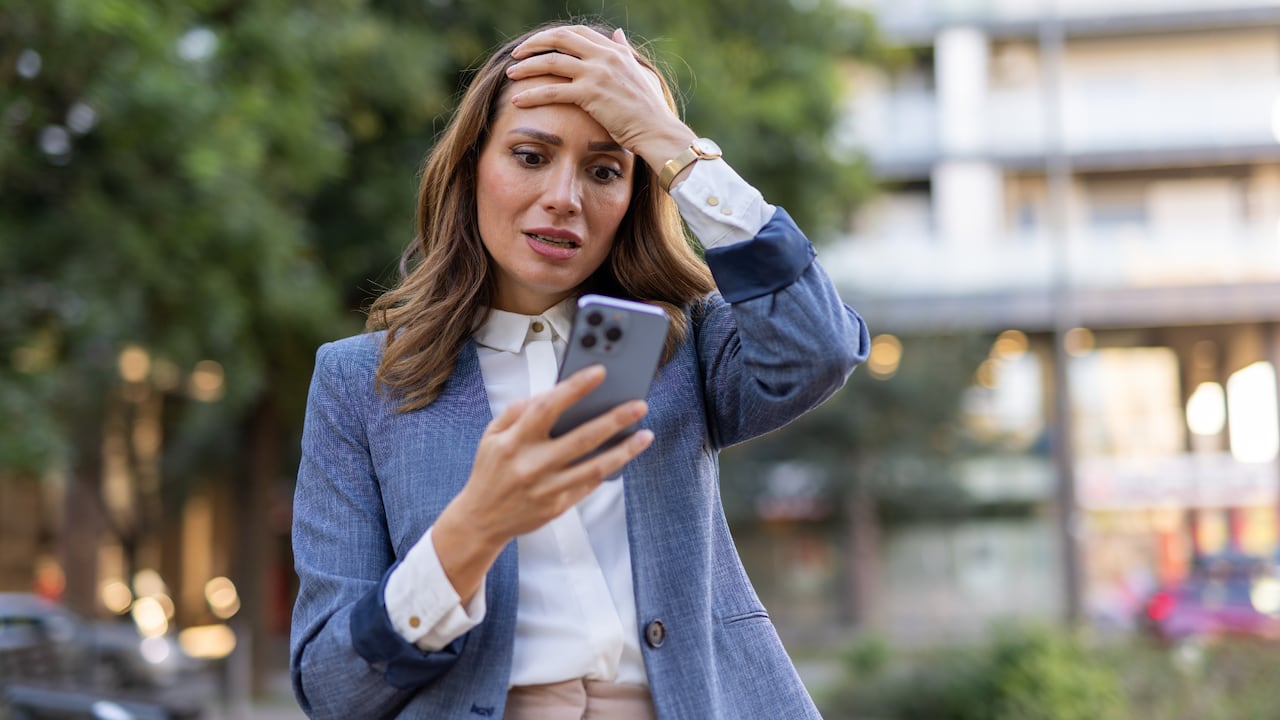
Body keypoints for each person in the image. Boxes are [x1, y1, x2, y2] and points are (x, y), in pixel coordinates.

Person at [290, 19, 869, 720]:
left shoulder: (679, 341)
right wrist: (470, 530)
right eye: (530, 156)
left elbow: (821, 349)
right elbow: (331, 688)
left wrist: (673, 145)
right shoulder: (362, 383)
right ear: (473, 167)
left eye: (604, 170)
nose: (565, 197)